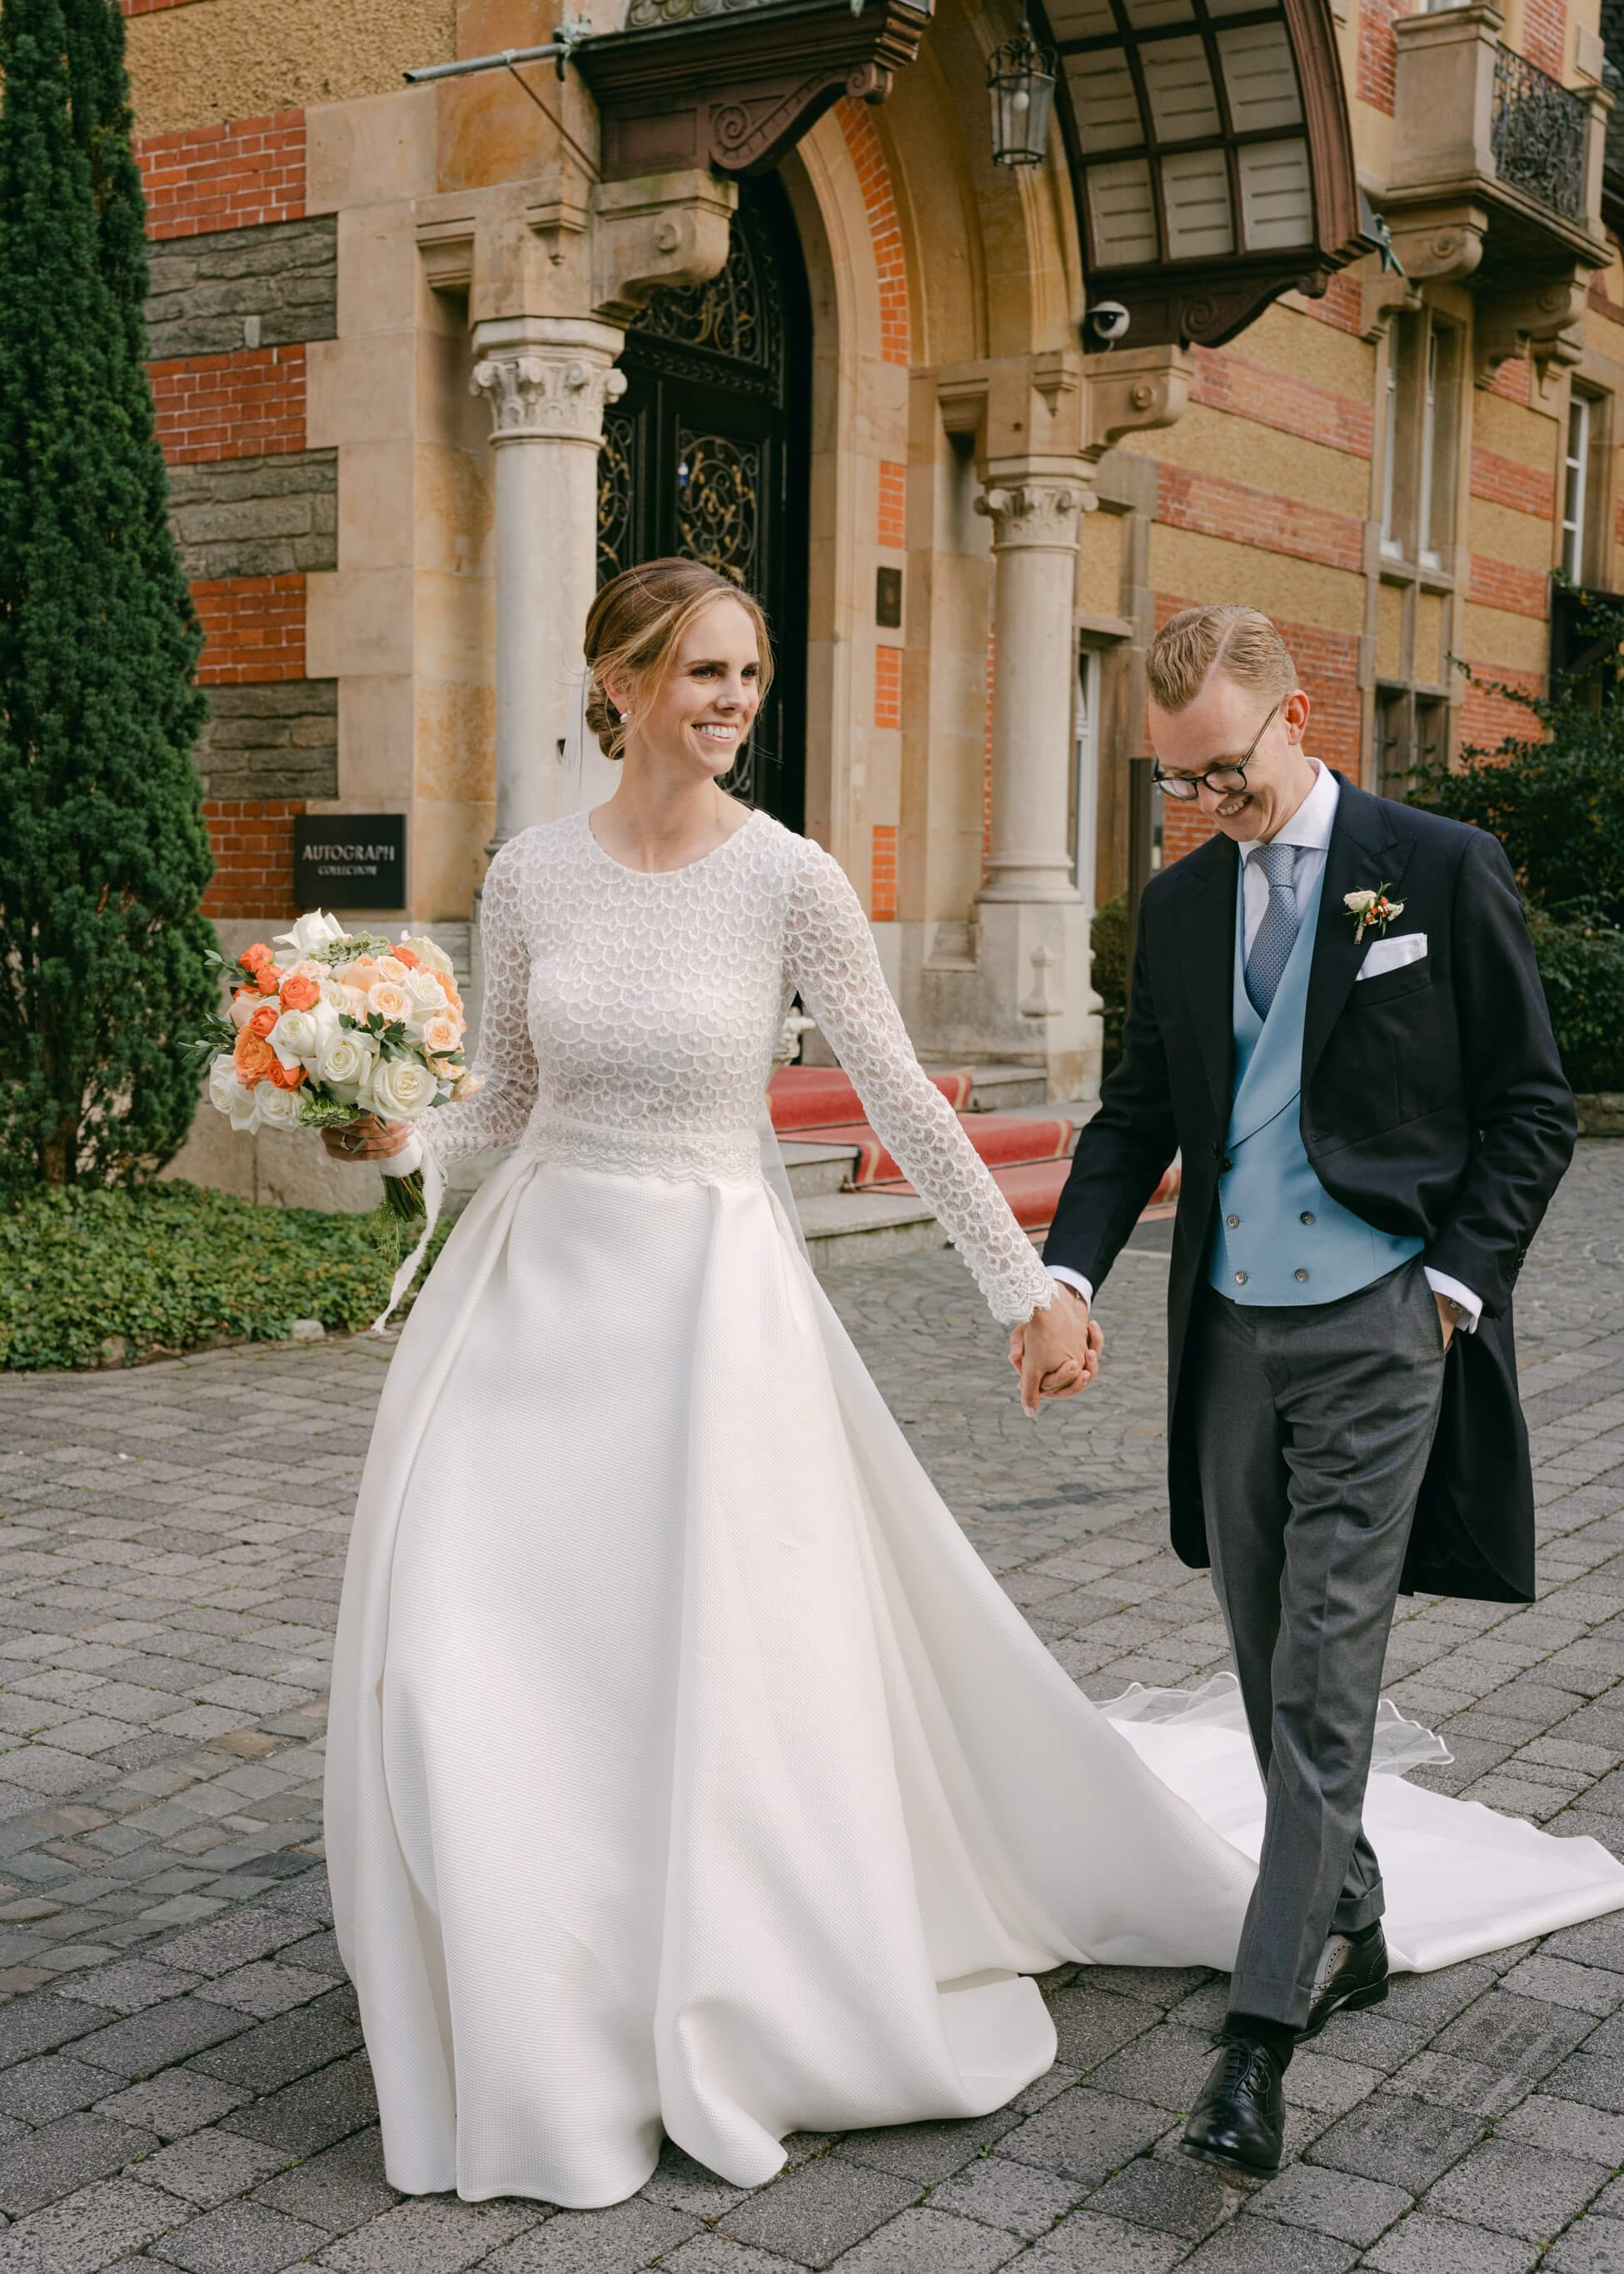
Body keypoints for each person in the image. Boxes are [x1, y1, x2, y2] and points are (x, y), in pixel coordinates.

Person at [321, 564, 1624, 2210]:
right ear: (620, 681)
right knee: (463, 1666)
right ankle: (525, 1983)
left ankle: (1228, 2018)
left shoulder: (788, 879)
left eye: (749, 675)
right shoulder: (525, 879)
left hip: (720, 1319)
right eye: (705, 674)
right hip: (530, 1316)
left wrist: (1032, 1288)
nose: (732, 701)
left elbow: (909, 1102)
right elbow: (502, 1090)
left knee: (715, 1672)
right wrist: (394, 1129)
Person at [1029, 602, 1582, 2177]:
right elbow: (1136, 1118)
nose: (1210, 802)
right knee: (1267, 1657)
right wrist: (1067, 1276)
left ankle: (1256, 2042)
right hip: (1227, 1337)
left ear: (1292, 711)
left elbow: (1531, 1107)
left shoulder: (1439, 864)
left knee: (1324, 1677)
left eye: (1225, 770)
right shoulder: (1184, 906)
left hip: (1379, 1331)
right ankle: (1349, 1907)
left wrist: (1452, 1290)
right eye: (1179, 782)